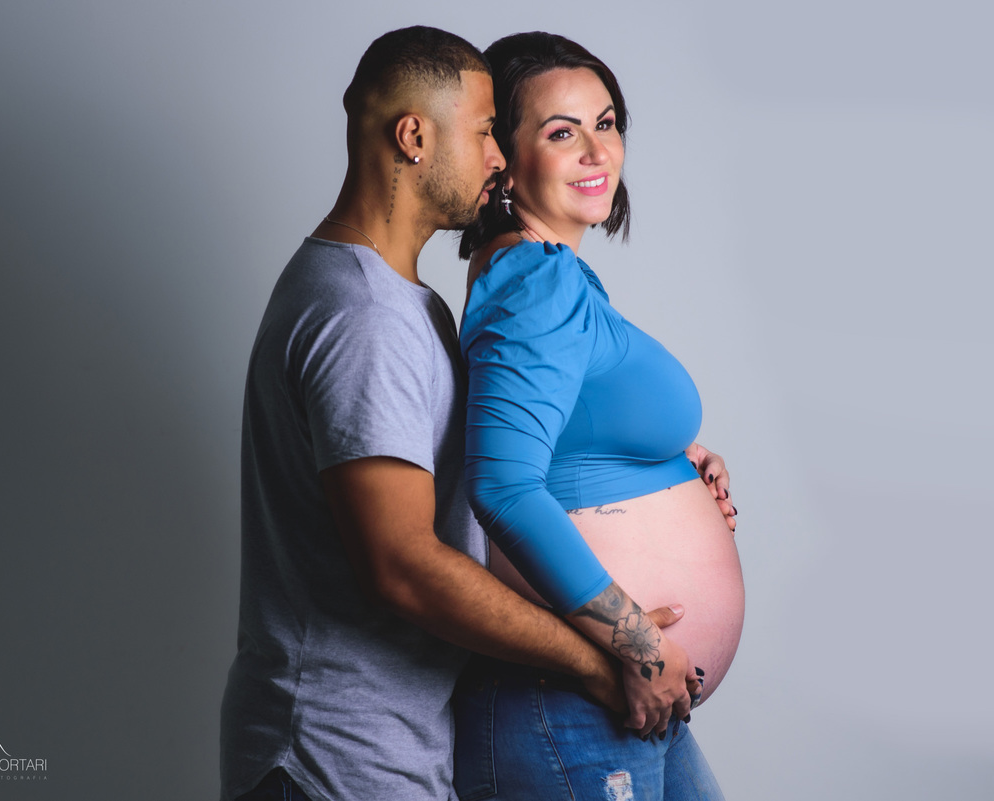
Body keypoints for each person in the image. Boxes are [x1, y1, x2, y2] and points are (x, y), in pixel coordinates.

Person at [219, 26, 702, 801]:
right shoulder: (364, 317)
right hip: (332, 754)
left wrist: (669, 472)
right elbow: (404, 565)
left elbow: (514, 443)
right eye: (485, 132)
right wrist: (606, 656)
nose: (499, 159)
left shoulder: (405, 304)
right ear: (414, 137)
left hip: (389, 744)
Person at [452, 32, 745, 800]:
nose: (596, 151)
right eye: (561, 132)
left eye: (606, 123)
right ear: (502, 157)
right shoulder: (537, 283)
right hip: (574, 698)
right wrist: (643, 645)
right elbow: (504, 487)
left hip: (610, 701)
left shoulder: (556, 278)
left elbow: (567, 430)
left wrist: (674, 460)